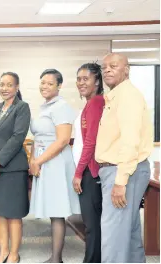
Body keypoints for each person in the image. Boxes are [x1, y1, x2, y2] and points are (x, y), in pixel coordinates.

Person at [95, 53, 153, 263]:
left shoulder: (128, 96)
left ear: (126, 69)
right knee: (127, 231)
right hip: (123, 170)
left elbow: (130, 141)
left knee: (113, 236)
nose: (107, 70)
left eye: (114, 66)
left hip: (124, 171)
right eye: (104, 67)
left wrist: (120, 181)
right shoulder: (117, 96)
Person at [29, 69, 81, 263]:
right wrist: (32, 160)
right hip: (43, 160)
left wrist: (38, 161)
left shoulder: (61, 107)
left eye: (50, 83)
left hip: (56, 162)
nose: (44, 86)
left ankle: (56, 258)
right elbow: (38, 138)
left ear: (59, 86)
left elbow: (63, 141)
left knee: (57, 211)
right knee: (52, 210)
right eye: (42, 82)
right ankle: (55, 256)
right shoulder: (44, 107)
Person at [0, 72, 30, 263]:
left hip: (12, 169)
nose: (4, 88)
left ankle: (14, 253)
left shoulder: (22, 108)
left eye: (9, 85)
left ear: (17, 87)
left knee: (13, 213)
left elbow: (18, 137)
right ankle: (3, 251)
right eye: (2, 84)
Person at [72, 63, 105, 263]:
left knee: (92, 223)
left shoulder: (95, 103)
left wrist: (78, 172)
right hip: (86, 169)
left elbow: (91, 141)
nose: (81, 83)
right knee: (92, 221)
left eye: (86, 79)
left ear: (97, 82)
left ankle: (92, 260)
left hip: (90, 171)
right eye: (78, 79)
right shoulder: (91, 102)